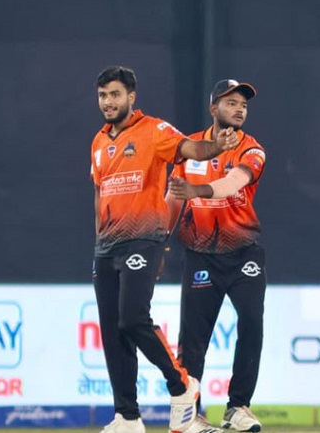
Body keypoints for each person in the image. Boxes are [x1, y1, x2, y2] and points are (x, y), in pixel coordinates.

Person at [90, 66, 237, 433]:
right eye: (103, 95)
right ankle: (127, 416)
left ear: (131, 97)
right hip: (106, 247)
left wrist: (217, 146)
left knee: (132, 319)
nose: (108, 102)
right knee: (112, 332)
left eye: (115, 94)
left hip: (143, 239)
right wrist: (98, 244)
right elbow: (99, 194)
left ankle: (181, 384)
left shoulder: (153, 130)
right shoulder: (98, 143)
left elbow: (192, 148)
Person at [165, 79, 266, 433]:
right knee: (193, 338)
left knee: (252, 322)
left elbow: (233, 183)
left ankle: (238, 407)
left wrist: (197, 190)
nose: (239, 109)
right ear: (213, 108)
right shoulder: (191, 148)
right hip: (200, 254)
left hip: (243, 252)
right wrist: (159, 243)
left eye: (244, 105)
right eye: (231, 102)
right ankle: (190, 413)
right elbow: (173, 199)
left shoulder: (252, 149)